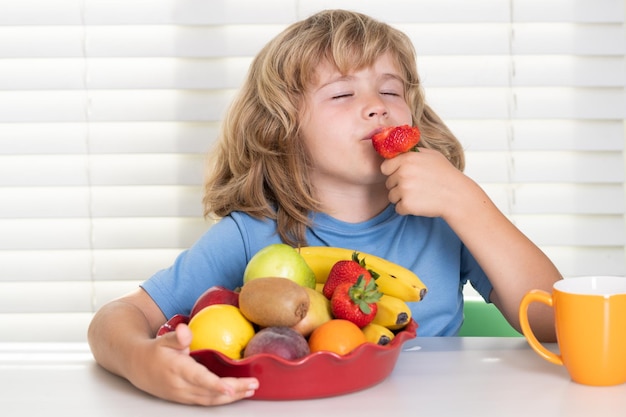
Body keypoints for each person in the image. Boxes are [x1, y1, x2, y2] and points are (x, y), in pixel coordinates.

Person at [88, 9, 562, 405]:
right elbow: (117, 318)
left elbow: (557, 321)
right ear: (280, 128)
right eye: (342, 93)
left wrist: (467, 202)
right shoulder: (249, 234)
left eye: (391, 90)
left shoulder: (446, 221)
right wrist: (139, 361)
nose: (377, 106)